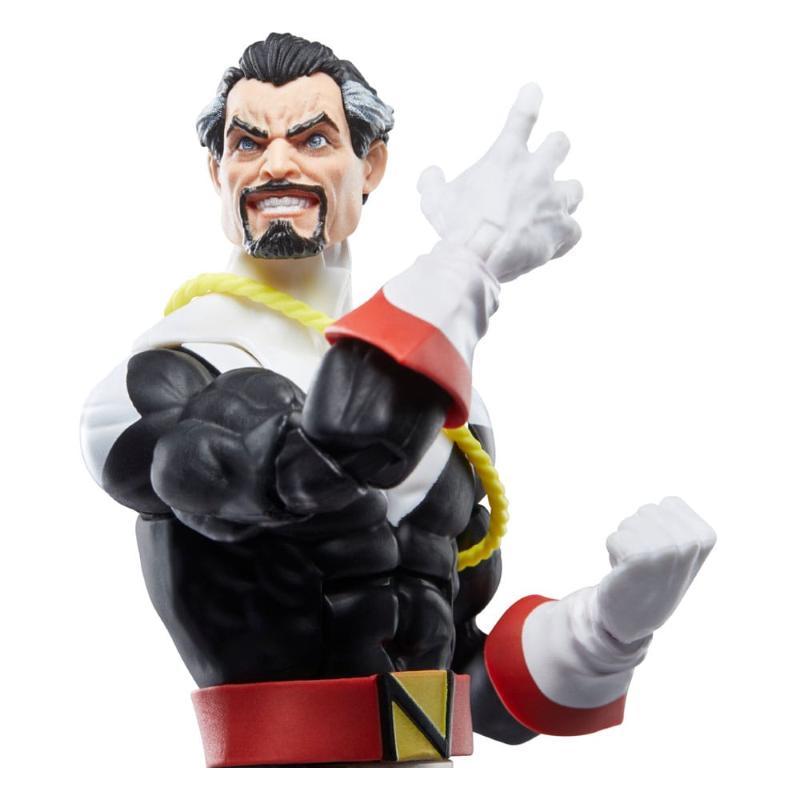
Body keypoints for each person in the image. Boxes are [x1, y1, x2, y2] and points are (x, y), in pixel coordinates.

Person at [80, 32, 716, 766]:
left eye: (313, 139)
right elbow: (317, 464)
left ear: (370, 164)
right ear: (217, 171)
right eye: (247, 143)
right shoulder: (156, 383)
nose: (276, 164)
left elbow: (465, 680)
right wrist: (466, 261)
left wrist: (605, 629)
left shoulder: (443, 400)